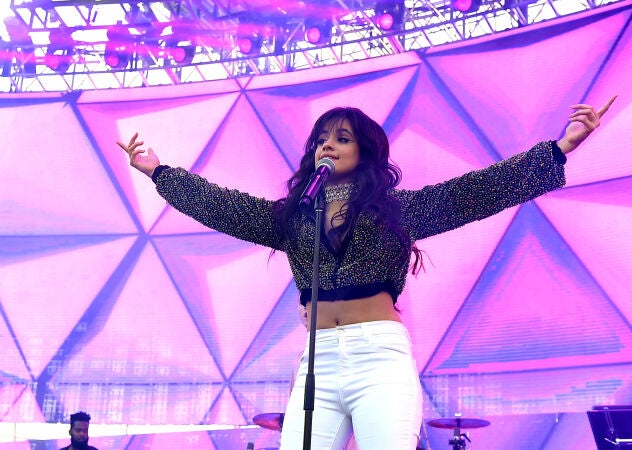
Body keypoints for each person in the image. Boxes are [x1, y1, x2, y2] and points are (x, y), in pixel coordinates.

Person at [116, 97, 616, 449]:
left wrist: (560, 148)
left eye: (342, 138)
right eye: (321, 139)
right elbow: (224, 207)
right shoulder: (295, 216)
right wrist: (159, 171)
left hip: (378, 356)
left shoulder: (397, 209)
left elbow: (474, 192)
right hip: (318, 360)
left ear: (366, 150)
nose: (327, 145)